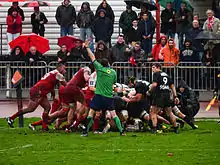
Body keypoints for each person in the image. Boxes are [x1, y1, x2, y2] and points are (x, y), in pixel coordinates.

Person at [81, 41, 125, 136]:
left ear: (101, 64)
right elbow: (114, 84)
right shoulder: (113, 72)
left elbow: (92, 57)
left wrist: (87, 48)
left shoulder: (99, 69)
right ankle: (121, 131)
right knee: (114, 115)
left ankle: (85, 132)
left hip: (99, 96)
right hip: (108, 97)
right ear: (108, 64)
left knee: (91, 113)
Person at [6, 63, 67, 130]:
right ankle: (11, 118)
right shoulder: (58, 75)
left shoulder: (53, 72)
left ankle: (44, 127)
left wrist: (53, 96)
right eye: (64, 68)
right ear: (60, 67)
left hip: (40, 91)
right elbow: (66, 86)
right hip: (38, 91)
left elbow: (51, 85)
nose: (65, 71)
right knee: (30, 108)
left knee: (47, 107)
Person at [148, 63, 180, 134]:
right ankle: (175, 128)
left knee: (153, 112)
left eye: (153, 67)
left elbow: (154, 84)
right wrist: (175, 96)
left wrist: (149, 91)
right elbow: (172, 86)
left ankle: (154, 129)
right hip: (167, 95)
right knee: (170, 112)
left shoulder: (156, 74)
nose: (152, 69)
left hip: (159, 95)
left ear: (158, 67)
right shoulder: (166, 75)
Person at [63, 67, 91, 131]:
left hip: (68, 87)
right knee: (86, 104)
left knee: (72, 108)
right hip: (74, 87)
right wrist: (92, 78)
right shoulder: (86, 69)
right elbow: (86, 78)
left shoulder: (79, 72)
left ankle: (68, 126)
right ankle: (77, 123)